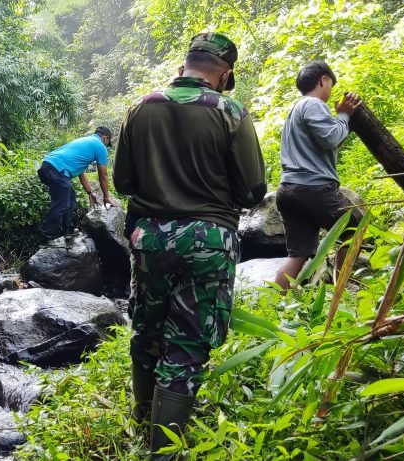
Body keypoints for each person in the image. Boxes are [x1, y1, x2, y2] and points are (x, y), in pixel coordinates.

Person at [113, 32, 265, 458]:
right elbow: (253, 191)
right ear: (225, 72)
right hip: (209, 240)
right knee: (187, 345)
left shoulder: (140, 107)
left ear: (185, 66)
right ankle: (163, 451)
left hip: (150, 237)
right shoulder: (231, 112)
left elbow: (123, 182)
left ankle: (142, 425)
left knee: (147, 332)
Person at [273, 62, 363, 292]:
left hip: (288, 190)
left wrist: (340, 119)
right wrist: (343, 115)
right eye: (331, 84)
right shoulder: (313, 104)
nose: (331, 90)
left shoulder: (295, 110)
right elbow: (331, 138)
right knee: (355, 227)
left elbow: (325, 140)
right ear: (323, 80)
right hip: (311, 188)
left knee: (299, 253)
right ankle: (341, 293)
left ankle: (272, 305)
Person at [38, 126, 120, 247]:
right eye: (107, 143)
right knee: (61, 203)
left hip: (48, 166)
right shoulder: (100, 146)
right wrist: (106, 197)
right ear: (105, 138)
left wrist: (90, 192)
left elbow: (82, 174)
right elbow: (103, 175)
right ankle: (47, 238)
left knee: (70, 198)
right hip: (56, 169)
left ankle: (68, 231)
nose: (106, 145)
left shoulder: (85, 142)